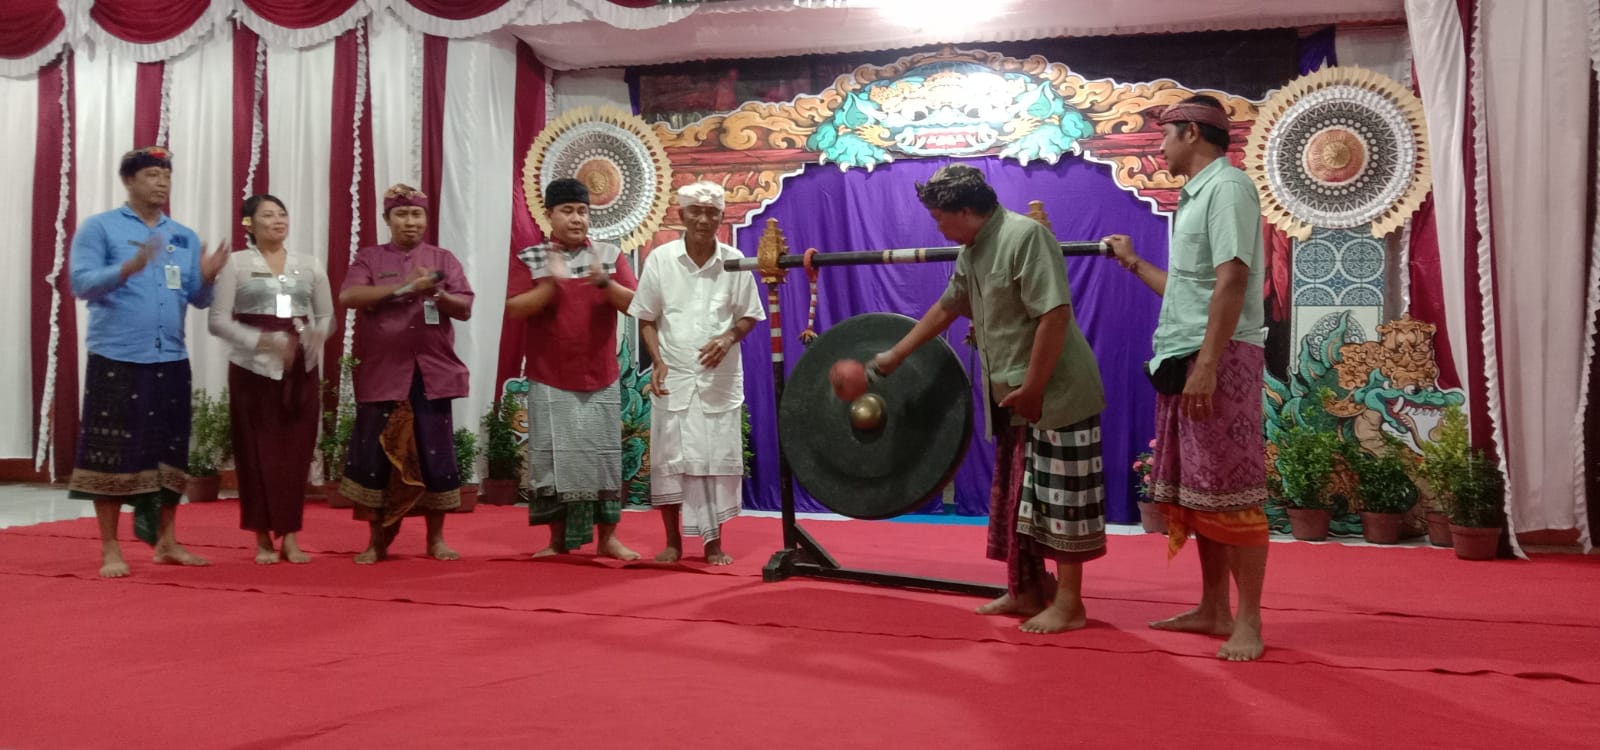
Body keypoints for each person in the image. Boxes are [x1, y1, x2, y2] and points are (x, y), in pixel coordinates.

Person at [873, 164, 1108, 634]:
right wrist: (897, 354)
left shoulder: (1025, 236)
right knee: (1022, 499)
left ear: (965, 210)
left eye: (939, 217)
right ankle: (1027, 591)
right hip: (1013, 395)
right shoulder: (972, 250)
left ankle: (1070, 604)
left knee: (1063, 501)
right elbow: (949, 305)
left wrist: (1035, 388)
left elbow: (1055, 315)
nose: (937, 227)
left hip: (1055, 392)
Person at [1101, 94, 1270, 661]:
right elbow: (1187, 291)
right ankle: (1214, 607)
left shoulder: (1228, 188)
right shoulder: (1198, 195)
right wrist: (1131, 262)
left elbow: (1233, 281)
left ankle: (1248, 620)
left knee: (1233, 490)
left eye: (1165, 136)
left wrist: (1209, 364)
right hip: (1186, 356)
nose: (1160, 147)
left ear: (1192, 133)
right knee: (1203, 492)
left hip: (1217, 358)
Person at [66, 145, 231, 578]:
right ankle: (110, 548)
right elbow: (80, 284)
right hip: (117, 356)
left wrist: (208, 277)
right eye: (152, 175)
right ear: (128, 181)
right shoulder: (100, 228)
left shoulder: (183, 236)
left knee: (169, 453)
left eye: (166, 176)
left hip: (170, 358)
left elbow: (197, 299)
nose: (162, 183)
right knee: (109, 455)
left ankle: (167, 543)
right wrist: (128, 267)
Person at [628, 182, 764, 565]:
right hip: (673, 378)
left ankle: (713, 544)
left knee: (713, 461)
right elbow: (646, 317)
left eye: (712, 213)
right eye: (696, 212)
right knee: (671, 461)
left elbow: (750, 314)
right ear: (681, 215)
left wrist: (728, 337)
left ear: (721, 217)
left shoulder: (735, 261)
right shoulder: (661, 259)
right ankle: (672, 542)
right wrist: (657, 361)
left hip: (717, 382)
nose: (704, 219)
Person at [337, 184, 474, 564]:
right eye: (401, 214)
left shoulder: (443, 259)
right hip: (383, 375)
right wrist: (403, 287)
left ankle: (436, 539)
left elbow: (465, 307)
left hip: (432, 374)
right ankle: (375, 542)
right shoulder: (369, 258)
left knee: (435, 456)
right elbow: (348, 297)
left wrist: (437, 294)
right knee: (375, 458)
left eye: (416, 214)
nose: (409, 221)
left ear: (426, 219)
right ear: (387, 219)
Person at [507, 178, 641, 561]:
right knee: (553, 459)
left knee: (604, 459)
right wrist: (551, 284)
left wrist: (605, 283)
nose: (577, 218)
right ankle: (556, 540)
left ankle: (608, 539)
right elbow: (514, 308)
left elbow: (636, 304)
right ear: (549, 215)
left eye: (582, 211)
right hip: (549, 376)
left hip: (600, 375)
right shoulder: (531, 257)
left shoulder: (609, 254)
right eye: (567, 211)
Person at [207, 194, 333, 565]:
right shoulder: (236, 264)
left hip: (300, 369)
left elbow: (326, 316)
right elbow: (218, 321)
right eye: (268, 215)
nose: (278, 220)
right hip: (252, 371)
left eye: (282, 214)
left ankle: (290, 536)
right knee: (255, 453)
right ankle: (262, 537)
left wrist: (316, 335)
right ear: (249, 223)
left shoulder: (309, 264)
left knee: (295, 454)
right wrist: (262, 341)